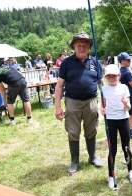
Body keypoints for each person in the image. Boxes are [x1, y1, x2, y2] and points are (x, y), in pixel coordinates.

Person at [54, 32, 104, 173]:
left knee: (91, 130)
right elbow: (59, 86)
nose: (82, 48)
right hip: (72, 102)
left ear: (88, 47)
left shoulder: (95, 62)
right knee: (73, 131)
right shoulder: (66, 63)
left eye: (85, 45)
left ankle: (92, 157)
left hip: (91, 101)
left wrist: (105, 101)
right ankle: (74, 161)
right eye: (79, 45)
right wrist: (58, 107)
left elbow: (101, 83)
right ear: (74, 47)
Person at [100, 64, 132, 190]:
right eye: (109, 76)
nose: (111, 78)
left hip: (123, 120)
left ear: (119, 76)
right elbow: (102, 107)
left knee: (126, 147)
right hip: (110, 121)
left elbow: (128, 108)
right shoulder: (103, 89)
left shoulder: (124, 88)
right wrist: (102, 111)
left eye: (114, 75)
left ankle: (130, 171)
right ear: (106, 77)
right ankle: (111, 176)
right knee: (112, 149)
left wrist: (126, 104)